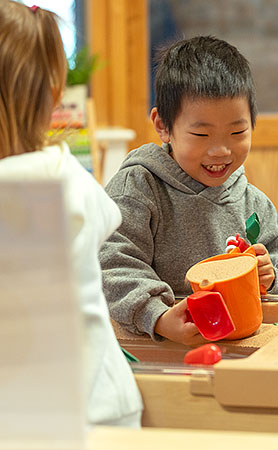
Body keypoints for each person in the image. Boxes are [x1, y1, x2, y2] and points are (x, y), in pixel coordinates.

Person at [100, 36, 278, 345]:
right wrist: (158, 315)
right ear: (163, 125)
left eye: (237, 132)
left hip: (237, 347)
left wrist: (271, 277)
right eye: (201, 133)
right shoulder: (139, 188)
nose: (220, 150)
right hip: (159, 347)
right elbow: (113, 264)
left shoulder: (253, 202)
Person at [0, 1, 142, 426]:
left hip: (64, 417)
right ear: (54, 96)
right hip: (103, 397)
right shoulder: (67, 176)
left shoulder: (23, 190)